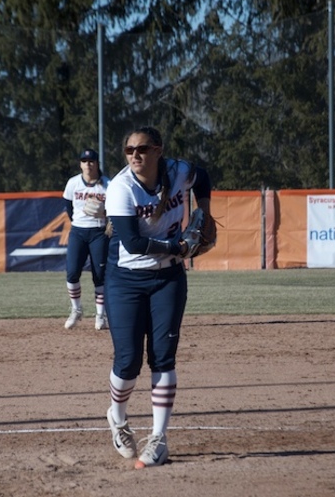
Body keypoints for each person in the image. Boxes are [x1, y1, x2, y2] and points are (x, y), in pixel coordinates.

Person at [103, 126, 212, 469]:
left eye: (143, 149)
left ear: (158, 150)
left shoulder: (179, 171)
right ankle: (118, 419)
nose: (135, 155)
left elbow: (203, 176)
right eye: (129, 150)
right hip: (126, 279)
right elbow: (133, 243)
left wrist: (205, 212)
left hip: (168, 278)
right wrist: (178, 247)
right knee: (128, 361)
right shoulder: (121, 188)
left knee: (163, 357)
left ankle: (159, 438)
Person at [62, 148, 111, 330]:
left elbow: (115, 209)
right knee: (72, 272)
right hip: (78, 231)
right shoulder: (73, 183)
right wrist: (77, 221)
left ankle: (100, 316)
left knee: (99, 275)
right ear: (80, 164)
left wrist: (105, 213)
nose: (88, 164)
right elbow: (68, 206)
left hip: (99, 232)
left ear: (97, 163)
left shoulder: (108, 184)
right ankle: (76, 310)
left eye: (91, 161)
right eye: (84, 161)